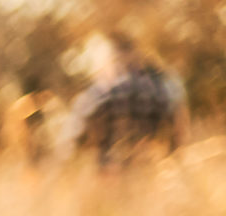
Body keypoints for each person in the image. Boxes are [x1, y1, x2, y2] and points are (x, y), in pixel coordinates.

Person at [71, 32, 187, 167]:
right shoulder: (163, 85)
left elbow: (78, 139)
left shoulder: (99, 92)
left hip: (116, 172)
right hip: (151, 169)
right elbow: (179, 127)